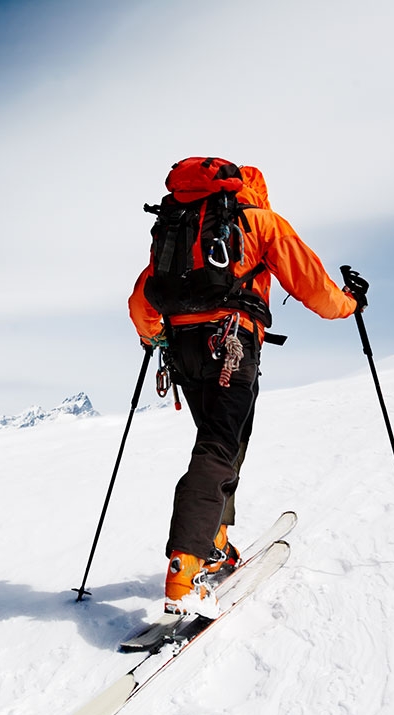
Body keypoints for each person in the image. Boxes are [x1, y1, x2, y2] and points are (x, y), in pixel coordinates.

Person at [128, 157, 362, 616]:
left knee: (224, 439)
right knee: (219, 445)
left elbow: (144, 295)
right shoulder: (259, 222)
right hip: (232, 343)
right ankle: (185, 568)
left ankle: (214, 540)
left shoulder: (178, 226)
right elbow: (313, 285)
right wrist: (350, 304)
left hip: (184, 350)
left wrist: (151, 334)